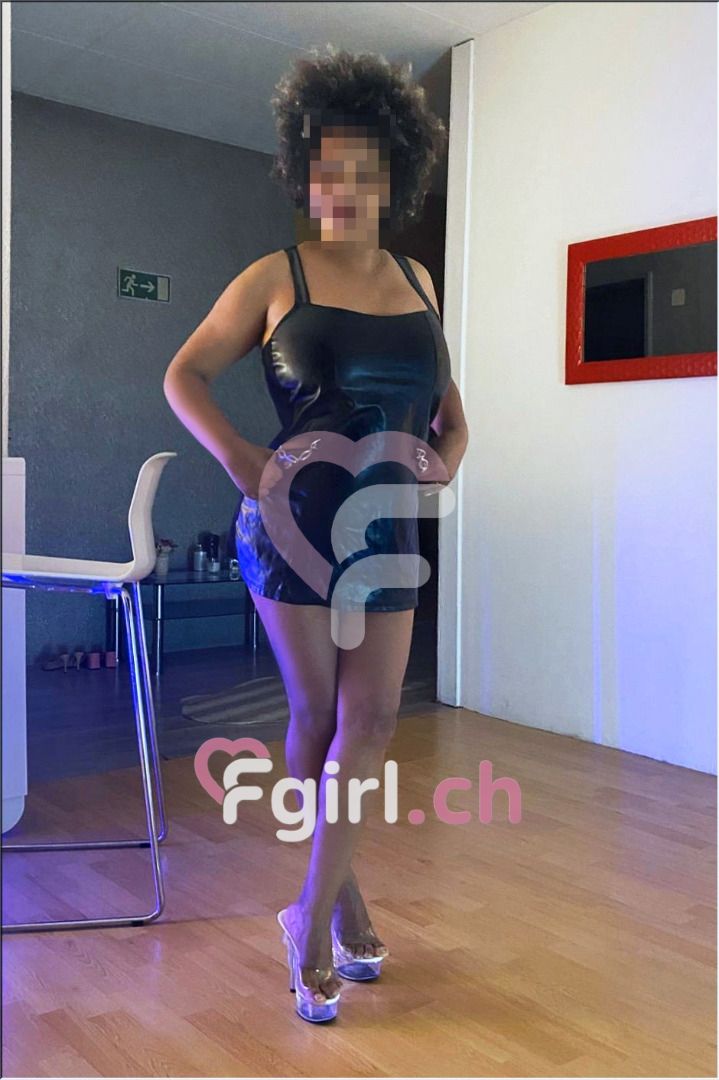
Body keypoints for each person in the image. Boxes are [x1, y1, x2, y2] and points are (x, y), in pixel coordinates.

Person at [164, 45, 469, 1023]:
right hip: (287, 525)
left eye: (363, 168)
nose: (342, 187)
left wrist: (448, 458)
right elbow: (182, 375)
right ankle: (331, 912)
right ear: (305, 173)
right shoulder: (274, 275)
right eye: (326, 168)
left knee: (369, 723)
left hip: (385, 532)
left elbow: (449, 412)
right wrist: (238, 458)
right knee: (320, 717)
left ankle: (313, 910)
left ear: (393, 175)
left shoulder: (419, 282)